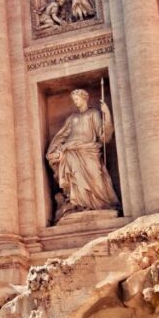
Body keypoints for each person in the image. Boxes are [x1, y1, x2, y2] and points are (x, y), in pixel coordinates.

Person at [46, 89, 120, 220]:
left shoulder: (93, 113)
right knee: (75, 178)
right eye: (74, 100)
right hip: (71, 151)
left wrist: (107, 114)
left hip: (89, 151)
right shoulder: (72, 118)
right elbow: (62, 136)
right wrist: (55, 150)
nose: (75, 102)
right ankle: (78, 205)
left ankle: (101, 204)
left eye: (77, 99)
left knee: (96, 178)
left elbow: (103, 137)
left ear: (85, 98)